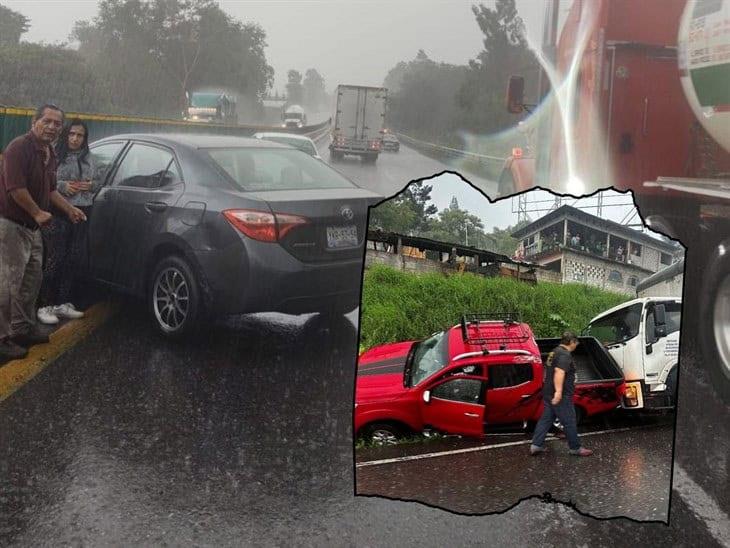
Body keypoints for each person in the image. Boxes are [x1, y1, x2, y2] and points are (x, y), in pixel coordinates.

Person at [0, 104, 87, 364]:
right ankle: (2, 339)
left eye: (57, 123)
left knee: (31, 281)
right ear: (34, 121)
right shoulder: (18, 148)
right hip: (12, 225)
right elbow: (15, 188)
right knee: (6, 285)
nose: (51, 127)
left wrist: (70, 209)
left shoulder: (48, 152)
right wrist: (37, 212)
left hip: (32, 228)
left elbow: (51, 190)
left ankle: (22, 329)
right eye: (46, 121)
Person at [37, 119, 96, 325]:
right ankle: (44, 305)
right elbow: (44, 180)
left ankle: (63, 302)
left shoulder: (89, 157)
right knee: (55, 258)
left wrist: (92, 186)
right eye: (71, 134)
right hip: (59, 210)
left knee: (73, 259)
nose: (75, 138)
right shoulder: (54, 154)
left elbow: (99, 181)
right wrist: (62, 186)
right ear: (65, 135)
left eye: (79, 135)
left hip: (83, 210)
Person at [530, 331, 593, 457]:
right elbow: (559, 372)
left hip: (548, 391)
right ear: (572, 342)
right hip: (560, 394)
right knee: (569, 420)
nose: (576, 345)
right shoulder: (565, 354)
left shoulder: (553, 352)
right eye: (576, 343)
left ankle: (536, 445)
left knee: (546, 419)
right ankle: (575, 448)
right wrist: (558, 392)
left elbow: (549, 369)